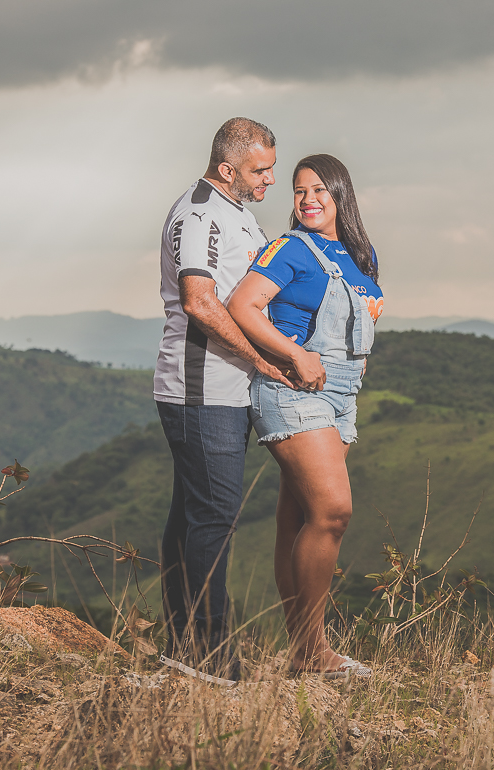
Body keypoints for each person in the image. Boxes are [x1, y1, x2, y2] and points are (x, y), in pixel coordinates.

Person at [228, 154, 383, 677]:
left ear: (341, 194)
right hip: (294, 388)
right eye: (299, 191)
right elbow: (243, 306)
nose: (308, 200)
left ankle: (302, 653)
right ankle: (314, 651)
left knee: (297, 519)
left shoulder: (362, 255)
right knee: (333, 512)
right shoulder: (289, 248)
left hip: (341, 396)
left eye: (320, 190)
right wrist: (296, 354)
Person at [153, 117, 293, 683]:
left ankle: (182, 645)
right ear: (228, 168)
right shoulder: (198, 214)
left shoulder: (239, 213)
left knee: (192, 517)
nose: (270, 180)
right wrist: (260, 359)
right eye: (261, 171)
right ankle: (210, 657)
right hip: (201, 389)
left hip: (228, 392)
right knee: (212, 518)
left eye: (272, 169)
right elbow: (199, 302)